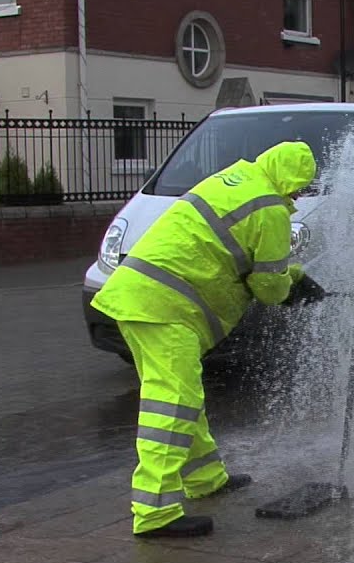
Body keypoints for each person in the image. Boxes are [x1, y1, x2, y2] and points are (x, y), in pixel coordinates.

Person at [91, 140, 327, 538]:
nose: (299, 196)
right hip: (166, 308)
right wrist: (291, 284)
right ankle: (155, 513)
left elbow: (232, 249)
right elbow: (269, 288)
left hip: (140, 296)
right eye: (299, 188)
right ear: (289, 181)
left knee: (181, 393)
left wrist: (297, 276)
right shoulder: (270, 208)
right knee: (173, 403)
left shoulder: (234, 180)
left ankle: (204, 479)